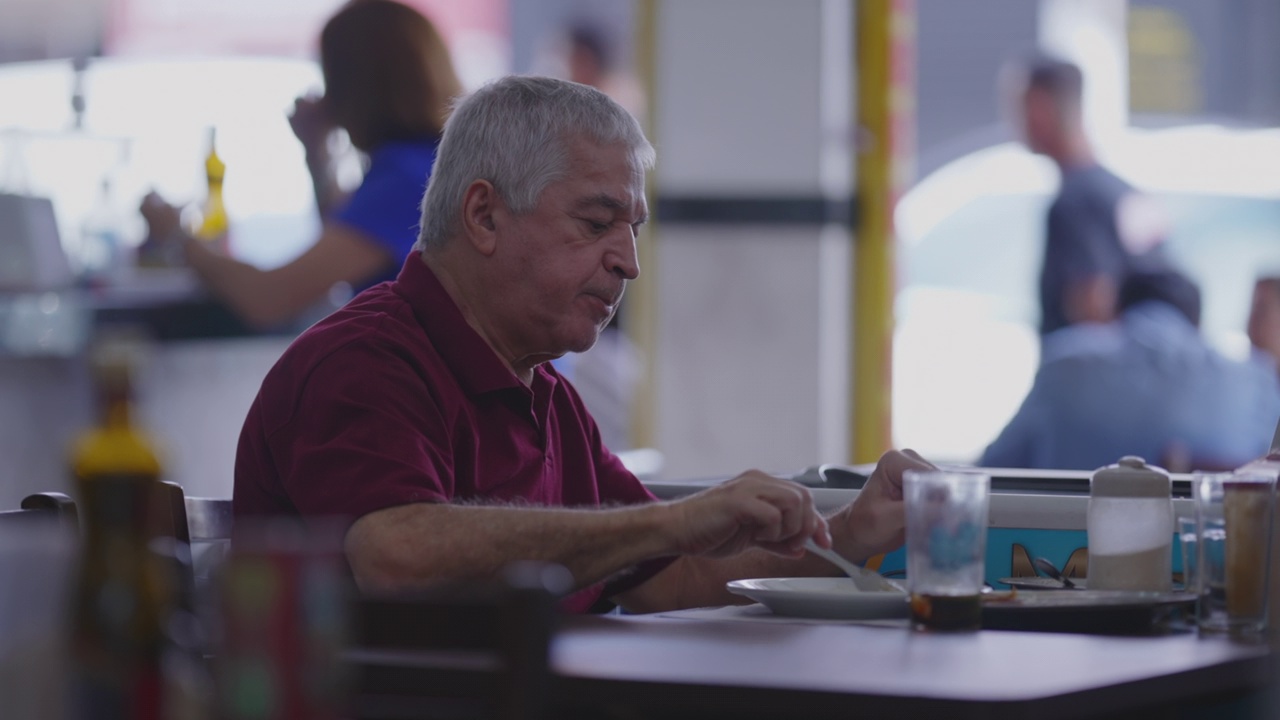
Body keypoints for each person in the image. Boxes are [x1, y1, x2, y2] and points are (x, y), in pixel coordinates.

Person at [233, 75, 933, 613]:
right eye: (597, 223)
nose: (628, 262)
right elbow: (396, 556)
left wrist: (852, 533)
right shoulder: (362, 363)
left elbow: (672, 577)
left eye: (634, 231)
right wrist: (674, 521)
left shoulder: (548, 399)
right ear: (483, 215)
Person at [139, 0, 462, 330]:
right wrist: (316, 152)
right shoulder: (428, 162)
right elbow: (348, 235)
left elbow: (268, 298)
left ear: (354, 87)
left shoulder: (405, 179)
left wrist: (176, 237)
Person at [979, 268, 1280, 471]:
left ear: (1116, 313)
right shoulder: (1255, 380)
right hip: (1208, 559)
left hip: (1065, 560)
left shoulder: (1064, 363)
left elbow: (992, 472)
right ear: (1197, 325)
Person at [1015, 54, 1170, 338]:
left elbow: (1093, 308)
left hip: (1091, 377)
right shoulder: (1121, 191)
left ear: (1039, 108)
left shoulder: (1075, 203)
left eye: (1021, 106)